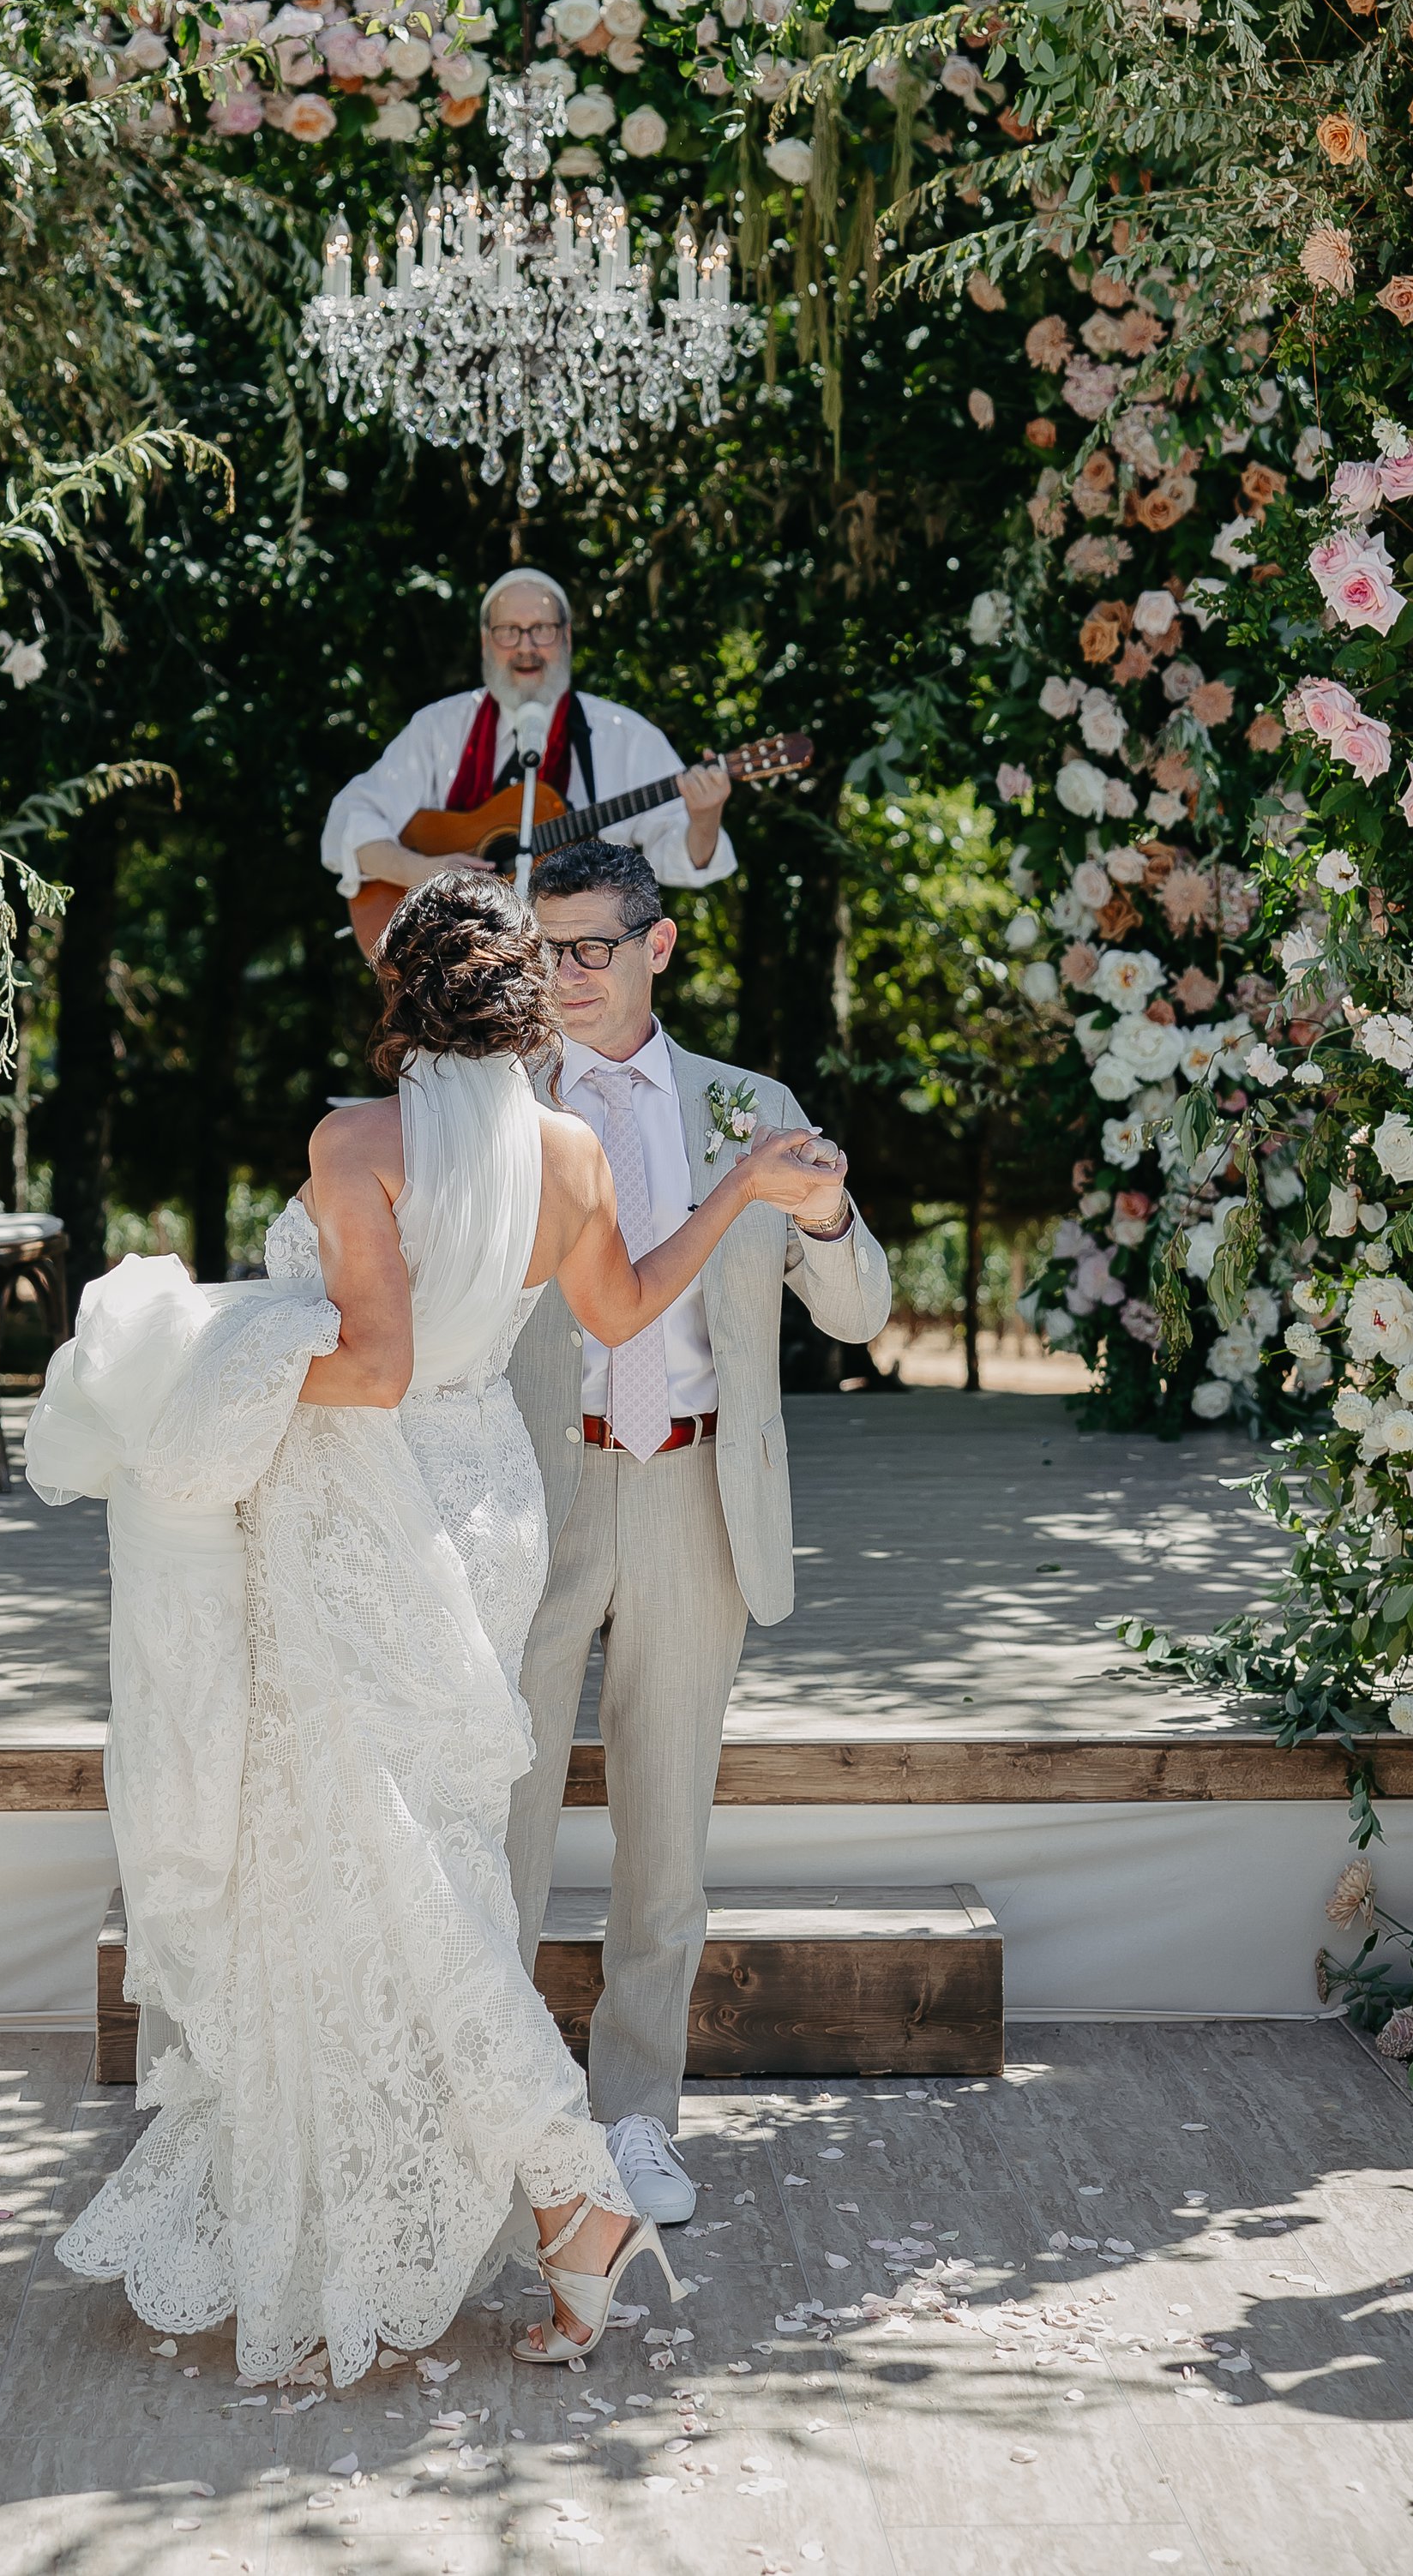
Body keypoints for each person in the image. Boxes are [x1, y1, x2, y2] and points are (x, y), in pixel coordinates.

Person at [25, 872, 846, 2383]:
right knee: (426, 1855)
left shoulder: (358, 1139)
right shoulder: (575, 1150)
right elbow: (619, 1316)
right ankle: (483, 2195)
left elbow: (372, 1369)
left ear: (399, 991)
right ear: (523, 994)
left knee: (393, 1865)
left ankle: (567, 2189)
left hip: (374, 1510)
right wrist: (731, 1195)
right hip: (496, 1508)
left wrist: (205, 1355)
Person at [506, 838, 893, 2229]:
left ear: (659, 946)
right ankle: (505, 2126)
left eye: (590, 947)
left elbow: (858, 1316)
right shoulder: (494, 1102)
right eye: (542, 947)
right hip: (534, 1501)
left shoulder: (753, 1108)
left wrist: (833, 1213)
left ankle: (638, 2123)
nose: (563, 976)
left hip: (695, 1498)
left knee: (665, 1843)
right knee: (505, 1822)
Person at [321, 569, 735, 908]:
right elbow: (348, 822)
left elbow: (685, 861)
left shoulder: (625, 736)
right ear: (486, 642)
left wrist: (705, 817)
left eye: (542, 630)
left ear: (567, 638)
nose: (526, 648)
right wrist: (418, 873)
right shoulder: (439, 729)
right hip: (449, 964)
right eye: (509, 631)